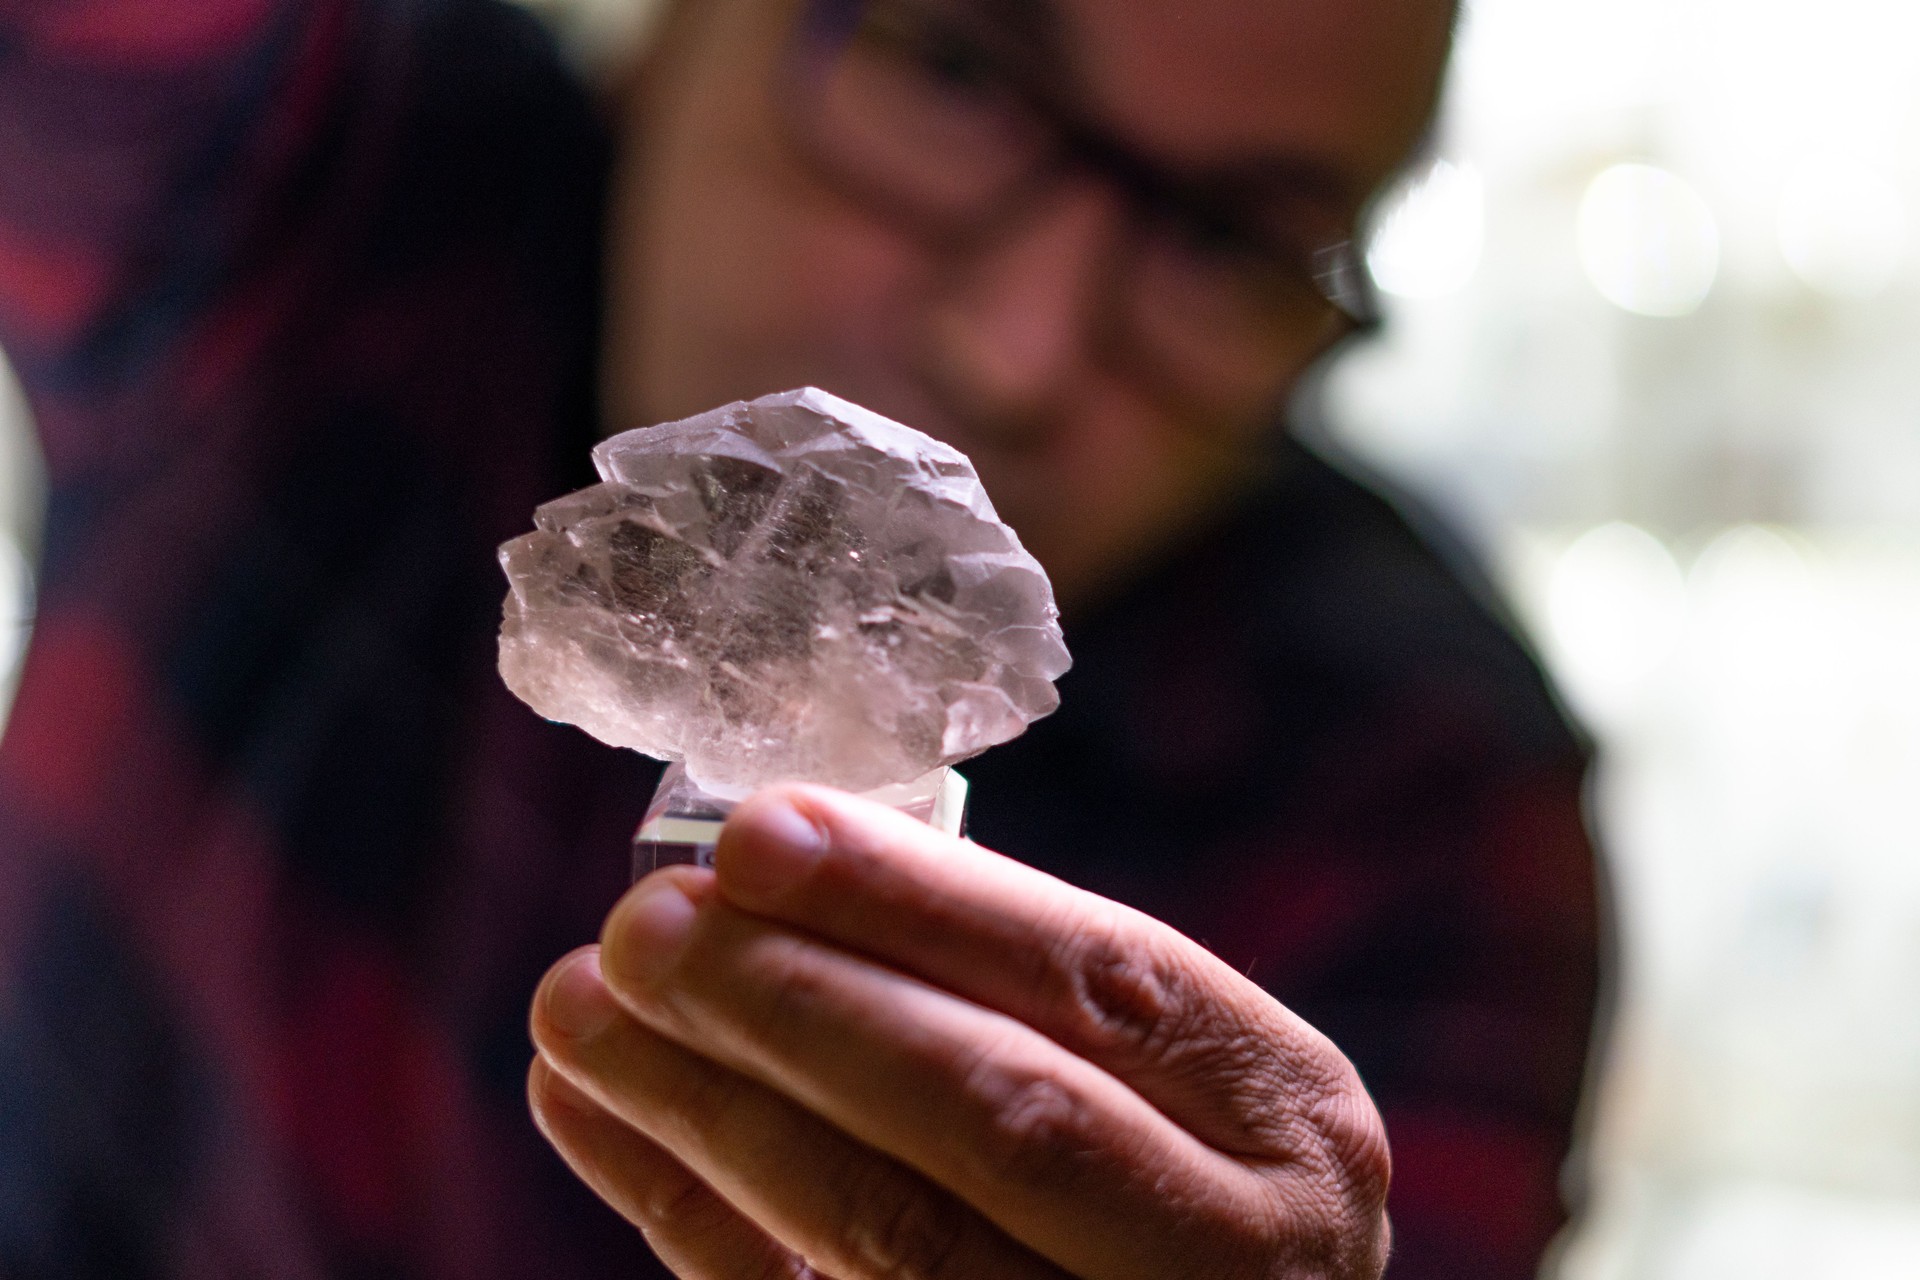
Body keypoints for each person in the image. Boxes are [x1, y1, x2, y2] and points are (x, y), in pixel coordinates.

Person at [0, 0, 1603, 1276]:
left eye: (1227, 244)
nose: (1022, 346)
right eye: (960, 66)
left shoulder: (1416, 795)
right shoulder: (320, 187)